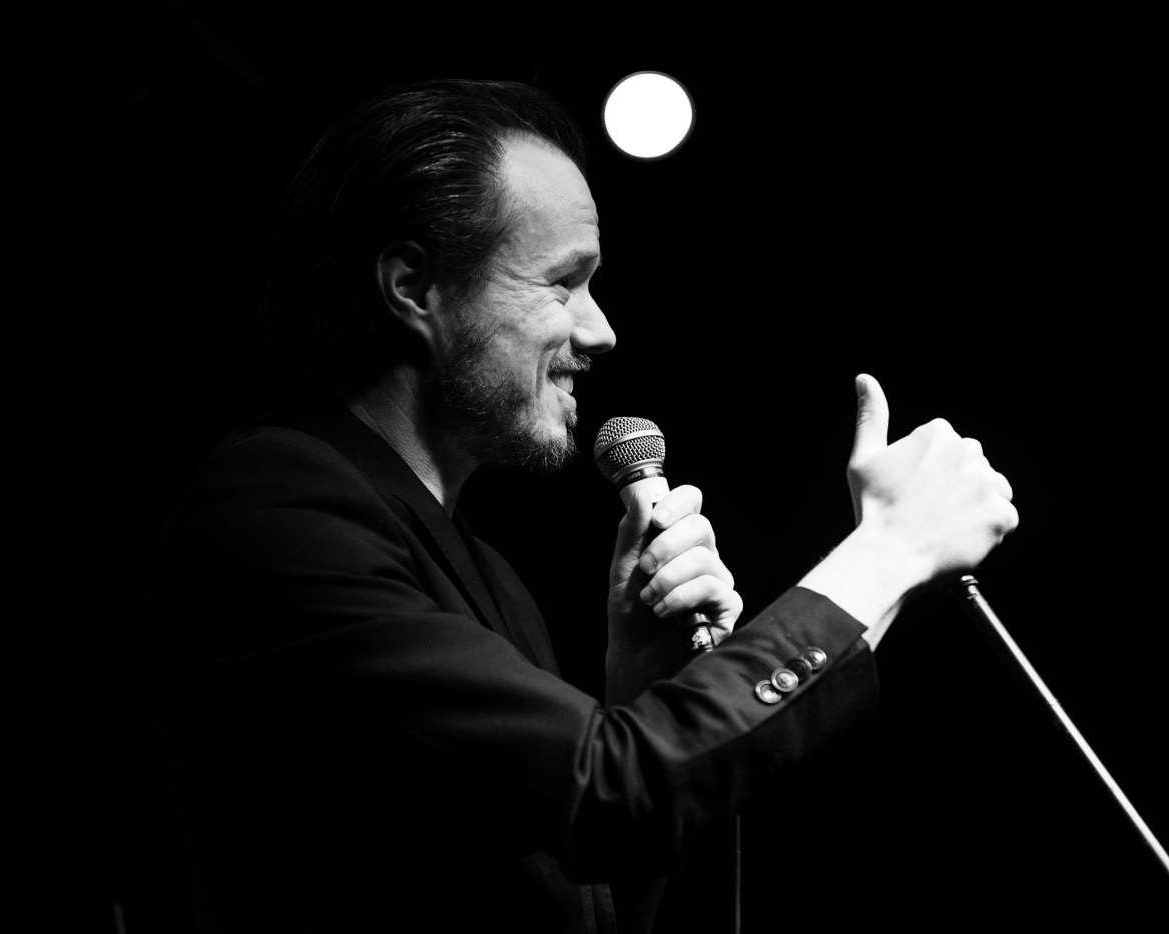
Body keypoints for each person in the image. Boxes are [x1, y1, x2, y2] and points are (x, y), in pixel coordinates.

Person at [144, 79, 1017, 934]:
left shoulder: (486, 575)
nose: (600, 331)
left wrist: (644, 688)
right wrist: (890, 551)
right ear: (414, 287)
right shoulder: (277, 511)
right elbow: (612, 791)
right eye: (563, 283)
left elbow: (581, 893)